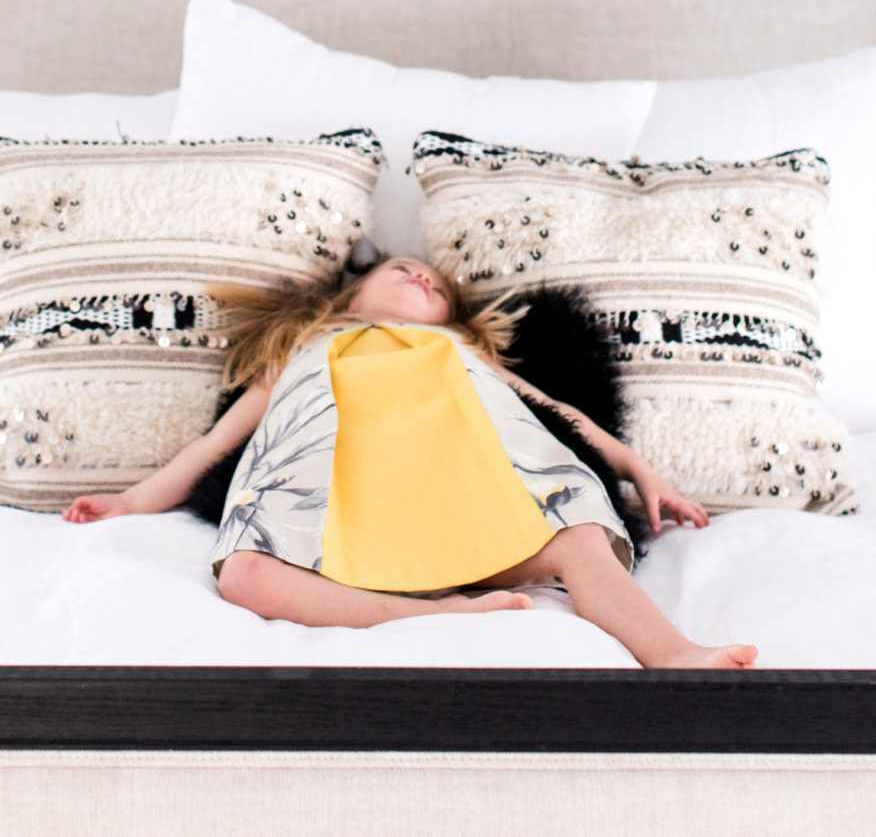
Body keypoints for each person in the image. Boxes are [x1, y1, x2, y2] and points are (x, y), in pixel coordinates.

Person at [62, 254, 758, 670]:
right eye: (403, 270)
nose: (422, 277)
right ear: (349, 297)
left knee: (577, 540)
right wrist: (130, 502)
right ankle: (433, 611)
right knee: (245, 573)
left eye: (437, 287)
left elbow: (558, 415)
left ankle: (672, 652)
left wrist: (640, 470)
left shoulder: (462, 351)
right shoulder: (303, 349)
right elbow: (214, 447)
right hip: (343, 514)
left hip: (466, 500)